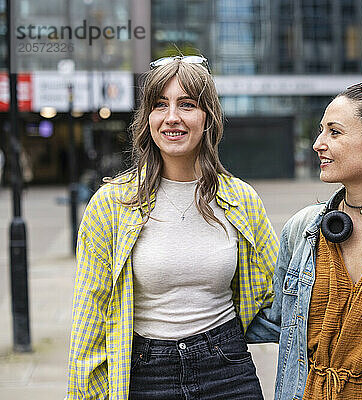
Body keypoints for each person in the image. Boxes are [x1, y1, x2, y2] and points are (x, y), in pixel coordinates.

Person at [66, 55, 278, 400]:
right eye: (160, 105)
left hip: (227, 367)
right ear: (147, 118)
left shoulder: (241, 199)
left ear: (207, 117)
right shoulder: (111, 205)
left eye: (187, 104)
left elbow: (277, 290)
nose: (172, 117)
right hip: (145, 374)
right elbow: (90, 317)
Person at [248, 81, 362, 400]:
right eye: (322, 131)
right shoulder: (303, 228)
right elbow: (277, 319)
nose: (319, 143)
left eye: (334, 132)